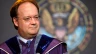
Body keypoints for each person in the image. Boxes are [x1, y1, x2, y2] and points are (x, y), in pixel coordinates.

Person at [0, 0, 67, 54]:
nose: (34, 22)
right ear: (16, 21)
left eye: (36, 17)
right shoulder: (4, 50)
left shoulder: (56, 48)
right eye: (27, 18)